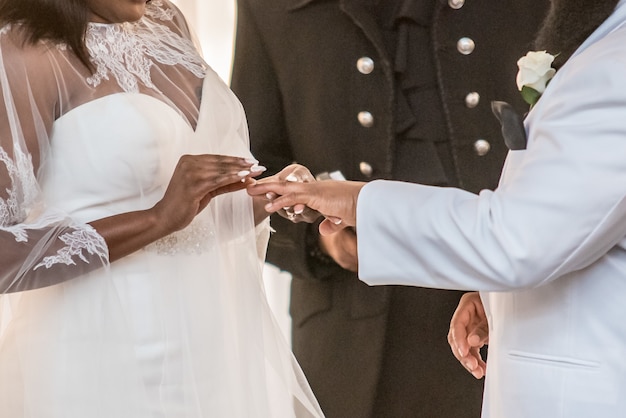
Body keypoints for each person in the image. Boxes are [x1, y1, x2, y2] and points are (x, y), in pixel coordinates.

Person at [248, 0, 626, 416]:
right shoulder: (271, 8)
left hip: (494, 332)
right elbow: (251, 170)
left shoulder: (598, 47)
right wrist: (320, 244)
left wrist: (357, 202)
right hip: (350, 332)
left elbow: (525, 233)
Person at [0, 0, 324, 416]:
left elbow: (189, 220)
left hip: (214, 347)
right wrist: (155, 218)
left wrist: (269, 198)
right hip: (100, 357)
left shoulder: (164, 21)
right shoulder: (21, 52)